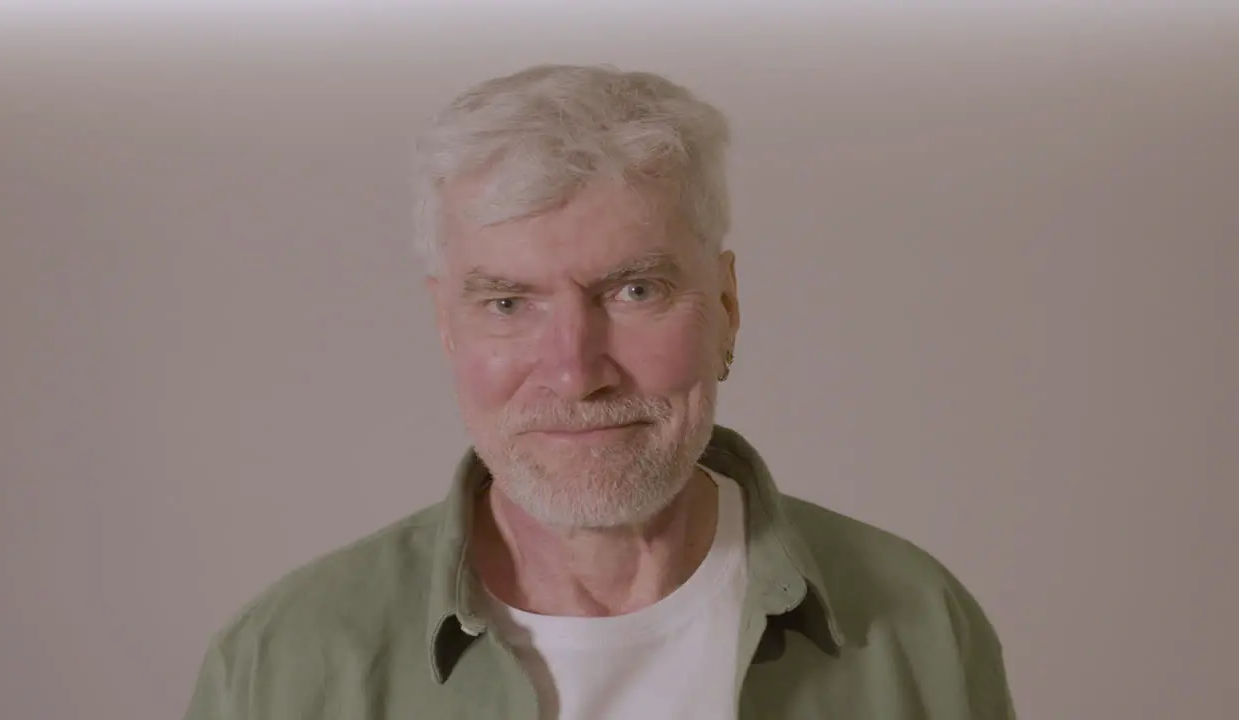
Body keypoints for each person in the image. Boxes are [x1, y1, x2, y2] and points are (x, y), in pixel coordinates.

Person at [183, 63, 1015, 720]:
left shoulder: (920, 627)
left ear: (726, 306)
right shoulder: (281, 667)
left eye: (635, 292)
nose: (577, 374)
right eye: (509, 304)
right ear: (448, 325)